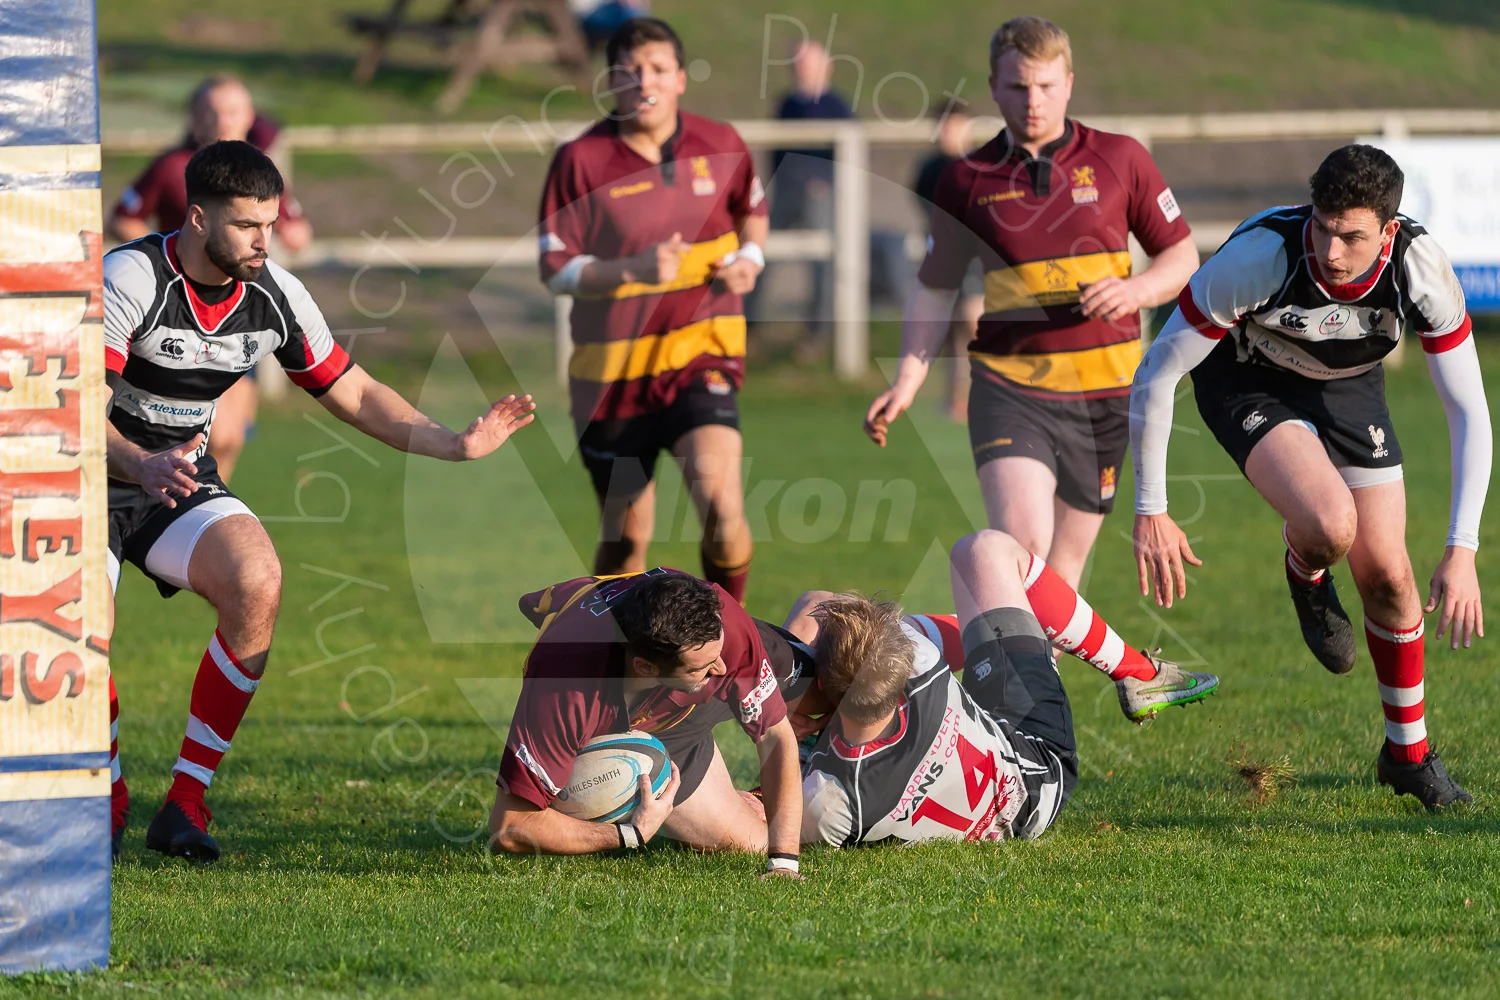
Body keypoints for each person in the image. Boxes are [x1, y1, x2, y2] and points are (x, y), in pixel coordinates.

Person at [104, 140, 535, 861]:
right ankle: (108, 796)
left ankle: (184, 802)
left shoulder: (273, 291)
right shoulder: (131, 277)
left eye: (270, 224)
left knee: (257, 581)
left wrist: (452, 444)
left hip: (173, 478)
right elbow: (72, 404)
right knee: (81, 627)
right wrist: (139, 462)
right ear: (199, 217)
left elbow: (354, 390)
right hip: (89, 469)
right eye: (247, 226)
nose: (263, 241)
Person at [1129, 144, 1490, 810]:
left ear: (1387, 230)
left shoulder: (1420, 267)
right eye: (1322, 226)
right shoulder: (1261, 256)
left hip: (1348, 383)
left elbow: (1469, 409)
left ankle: (1407, 756)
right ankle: (1308, 568)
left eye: (1350, 235)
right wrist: (1151, 508)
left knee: (1390, 575)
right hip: (1247, 380)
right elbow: (1156, 372)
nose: (1330, 248)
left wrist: (1462, 549)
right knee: (1330, 523)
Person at [864, 17, 1202, 718]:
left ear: (1069, 82)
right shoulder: (966, 180)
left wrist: (1137, 290)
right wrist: (909, 377)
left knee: (1057, 584)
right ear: (994, 87)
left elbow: (1181, 257)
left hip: (1107, 396)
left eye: (1046, 86)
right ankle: (1029, 718)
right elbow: (933, 287)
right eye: (1017, 87)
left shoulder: (1120, 160)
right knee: (1018, 546)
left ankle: (1022, 723)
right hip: (1009, 388)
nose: (1032, 101)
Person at [538, 17, 767, 603]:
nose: (645, 81)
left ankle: (726, 643)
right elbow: (555, 268)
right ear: (610, 81)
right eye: (630, 70)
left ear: (681, 78)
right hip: (610, 378)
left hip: (701, 355)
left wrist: (751, 257)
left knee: (720, 500)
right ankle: (612, 670)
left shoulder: (721, 144)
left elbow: (751, 213)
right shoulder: (580, 161)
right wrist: (632, 272)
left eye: (659, 69)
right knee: (625, 543)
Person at [791, 529, 1173, 845]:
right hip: (1036, 766)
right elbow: (825, 609)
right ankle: (1135, 672)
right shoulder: (919, 660)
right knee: (984, 550)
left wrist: (780, 723)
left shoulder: (828, 805)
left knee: (814, 622)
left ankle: (792, 721)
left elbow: (763, 827)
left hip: (997, 782)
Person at [488, 570, 804, 876]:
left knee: (815, 678)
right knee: (750, 843)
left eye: (717, 654)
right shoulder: (565, 686)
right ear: (645, 667)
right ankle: (751, 799)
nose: (722, 668)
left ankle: (816, 611)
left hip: (680, 688)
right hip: (650, 710)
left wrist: (784, 863)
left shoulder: (724, 628)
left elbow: (776, 736)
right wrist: (628, 834)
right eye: (703, 667)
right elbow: (510, 827)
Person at [109, 75, 314, 484]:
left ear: (250, 117)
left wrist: (293, 232)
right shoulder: (170, 167)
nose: (223, 121)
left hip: (236, 320)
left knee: (227, 438)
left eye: (233, 111)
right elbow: (123, 216)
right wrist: (156, 255)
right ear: (195, 119)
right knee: (176, 432)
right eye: (212, 112)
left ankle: (203, 503)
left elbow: (297, 227)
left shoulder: (260, 177)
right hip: (171, 317)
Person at [757, 40, 854, 344]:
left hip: (819, 195)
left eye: (810, 63)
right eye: (798, 63)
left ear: (827, 67)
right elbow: (776, 149)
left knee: (823, 265)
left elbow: (851, 154)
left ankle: (819, 334)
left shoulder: (837, 107)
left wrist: (825, 182)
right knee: (761, 253)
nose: (803, 69)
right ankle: (749, 328)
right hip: (785, 191)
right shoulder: (787, 105)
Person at [911, 100, 984, 421]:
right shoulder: (930, 169)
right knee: (950, 327)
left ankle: (979, 392)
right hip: (944, 256)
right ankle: (954, 398)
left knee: (973, 319)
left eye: (954, 124)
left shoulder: (981, 165)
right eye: (943, 125)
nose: (948, 132)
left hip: (978, 256)